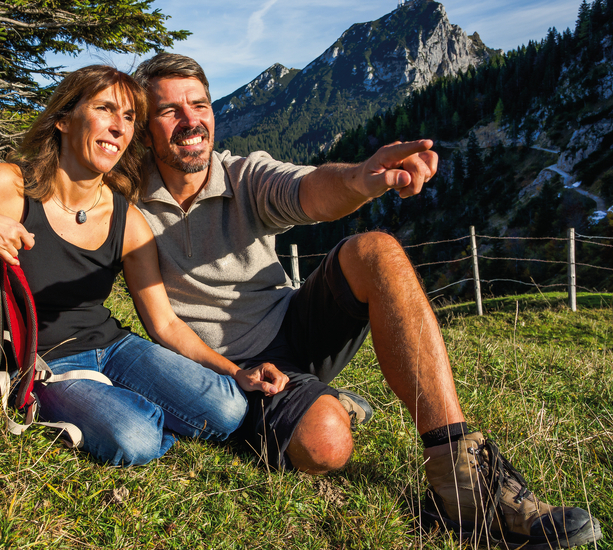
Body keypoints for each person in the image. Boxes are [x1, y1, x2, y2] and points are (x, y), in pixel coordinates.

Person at [131, 53, 603, 548]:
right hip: (230, 367)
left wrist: (360, 178)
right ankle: (328, 403)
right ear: (144, 130)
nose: (191, 122)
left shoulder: (244, 176)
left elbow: (308, 190)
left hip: (292, 324)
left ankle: (457, 473)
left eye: (200, 105)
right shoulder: (123, 200)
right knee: (326, 444)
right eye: (169, 111)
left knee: (375, 251)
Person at [0, 65, 284, 467]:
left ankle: (129, 404)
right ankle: (117, 411)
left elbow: (165, 325)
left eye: (129, 118)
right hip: (46, 362)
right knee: (135, 439)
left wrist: (235, 371)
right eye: (105, 109)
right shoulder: (12, 186)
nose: (119, 127)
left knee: (229, 408)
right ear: (64, 120)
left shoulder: (129, 219)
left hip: (116, 348)